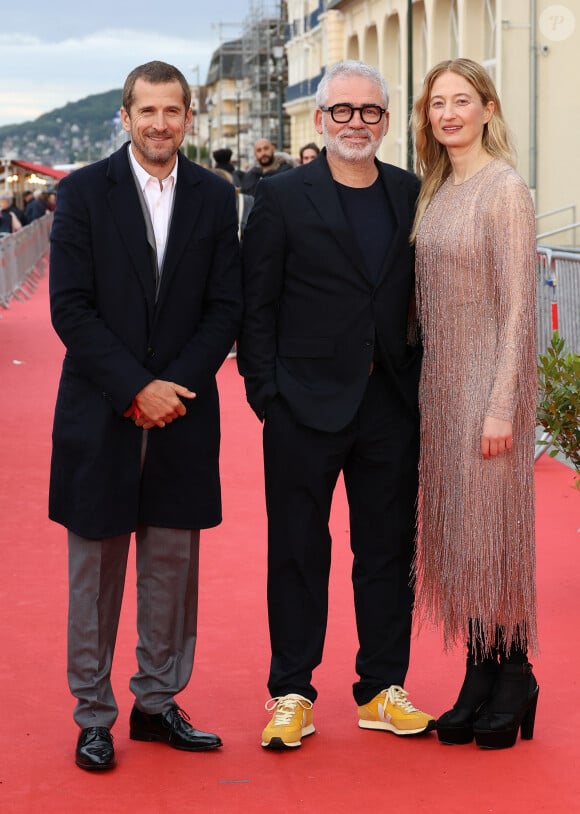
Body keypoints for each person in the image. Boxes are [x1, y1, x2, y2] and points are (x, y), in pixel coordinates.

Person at [49, 60, 242, 772]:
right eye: (147, 111)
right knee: (93, 570)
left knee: (170, 568)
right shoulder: (80, 194)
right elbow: (70, 306)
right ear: (125, 117)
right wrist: (135, 387)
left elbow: (227, 306)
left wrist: (173, 388)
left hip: (183, 413)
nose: (161, 123)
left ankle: (157, 703)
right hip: (101, 411)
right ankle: (93, 715)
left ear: (189, 117)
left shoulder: (215, 198)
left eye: (173, 111)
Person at [237, 59, 434, 750]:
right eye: (343, 111)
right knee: (297, 551)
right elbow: (255, 305)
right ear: (320, 119)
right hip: (301, 406)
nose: (357, 123)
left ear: (386, 121)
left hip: (388, 405)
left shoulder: (411, 192)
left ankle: (382, 687)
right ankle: (292, 691)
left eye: (370, 112)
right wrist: (268, 397)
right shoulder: (284, 196)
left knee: (387, 551)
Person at [410, 58, 539, 750]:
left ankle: (515, 671)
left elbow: (520, 306)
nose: (449, 113)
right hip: (439, 390)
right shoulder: (434, 188)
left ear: (489, 107)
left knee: (497, 533)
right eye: (437, 104)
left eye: (462, 100)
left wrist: (503, 404)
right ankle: (478, 669)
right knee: (462, 535)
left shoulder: (505, 189)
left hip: (489, 386)